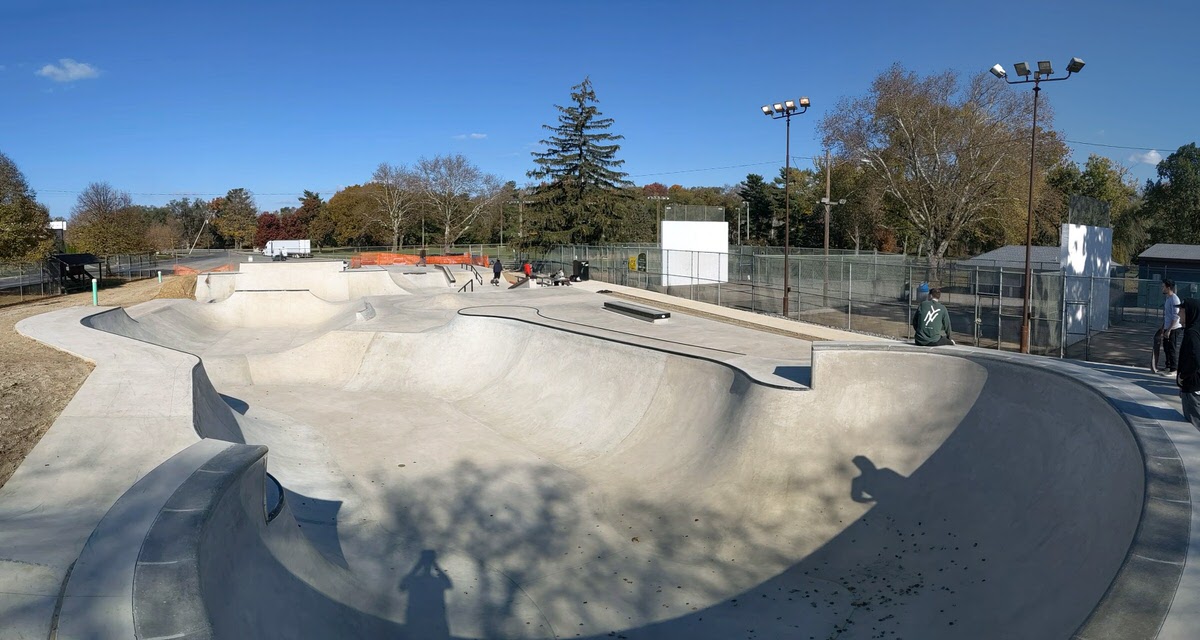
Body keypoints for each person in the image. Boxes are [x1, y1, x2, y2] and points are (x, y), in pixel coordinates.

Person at [1176, 298, 1200, 428]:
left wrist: (1183, 376)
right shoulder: (1196, 330)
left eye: (1181, 310)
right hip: (1195, 385)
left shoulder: (1192, 334)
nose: (1178, 313)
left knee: (1194, 425)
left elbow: (1195, 359)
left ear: (1190, 312)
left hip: (1192, 387)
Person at [1162, 279, 1183, 375]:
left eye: (1163, 286)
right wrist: (1164, 328)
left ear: (1168, 287)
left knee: (1171, 348)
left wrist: (1169, 330)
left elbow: (1176, 316)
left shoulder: (1175, 299)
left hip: (1174, 328)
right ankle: (1168, 366)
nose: (1162, 288)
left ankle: (1174, 369)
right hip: (1167, 326)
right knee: (1166, 347)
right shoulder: (1168, 298)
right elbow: (1168, 315)